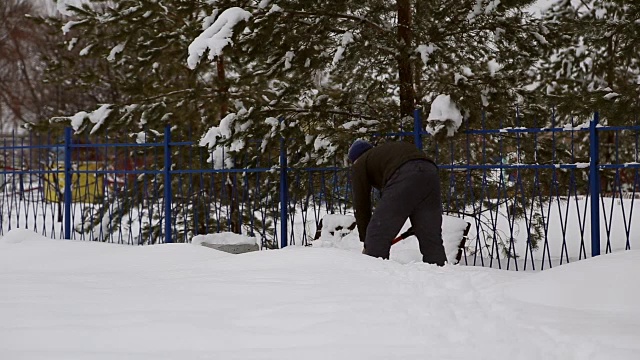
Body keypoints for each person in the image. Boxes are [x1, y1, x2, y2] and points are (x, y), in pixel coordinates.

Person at [348, 139, 447, 266]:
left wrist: (367, 239)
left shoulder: (360, 162)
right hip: (429, 171)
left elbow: (361, 202)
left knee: (378, 235)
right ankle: (441, 275)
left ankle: (373, 277)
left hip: (404, 174)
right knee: (430, 237)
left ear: (355, 159)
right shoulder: (384, 154)